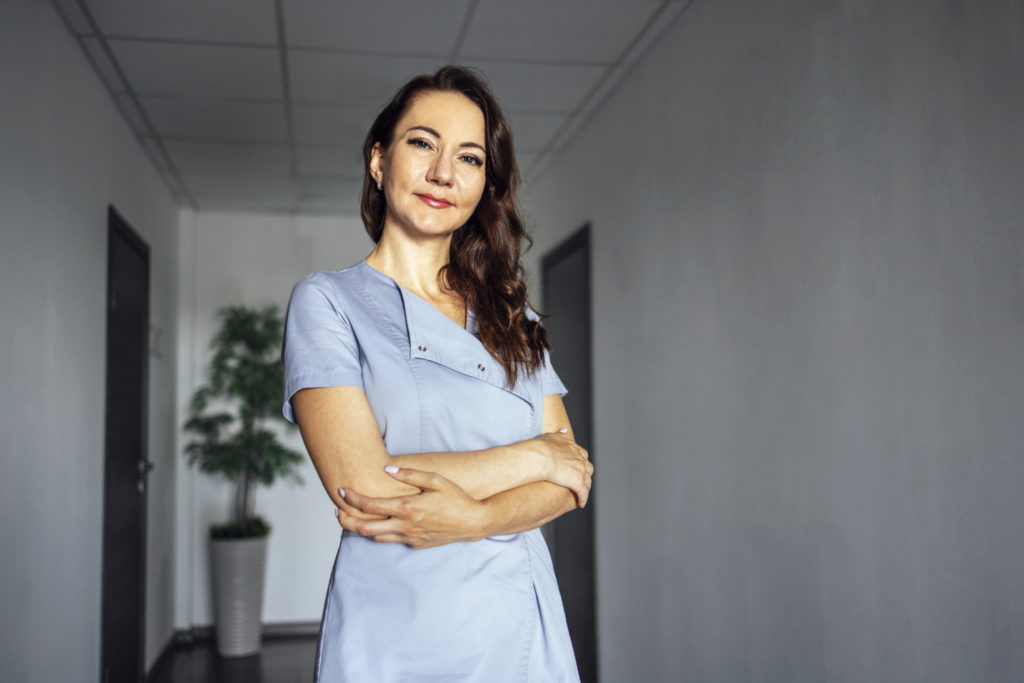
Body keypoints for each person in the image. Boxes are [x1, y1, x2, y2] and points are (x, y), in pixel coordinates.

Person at [282, 65, 593, 682]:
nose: (444, 173)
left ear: (484, 184)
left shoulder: (512, 314)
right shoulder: (328, 302)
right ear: (379, 159)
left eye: (471, 158)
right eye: (423, 143)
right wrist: (534, 456)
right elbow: (363, 484)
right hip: (400, 625)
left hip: (520, 627)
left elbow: (573, 479)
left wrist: (478, 518)